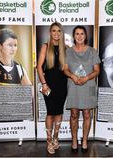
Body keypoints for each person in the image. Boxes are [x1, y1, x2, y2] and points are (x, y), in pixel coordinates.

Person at [64, 26, 100, 153]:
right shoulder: (68, 51)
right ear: (74, 36)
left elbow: (97, 70)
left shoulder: (92, 51)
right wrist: (72, 76)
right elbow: (65, 69)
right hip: (73, 85)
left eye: (82, 34)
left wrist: (87, 78)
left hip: (88, 85)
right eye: (77, 34)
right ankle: (74, 140)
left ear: (85, 36)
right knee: (74, 114)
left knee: (86, 114)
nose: (79, 36)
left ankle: (84, 140)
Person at [37, 22, 67, 154]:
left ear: (61, 33)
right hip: (48, 86)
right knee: (50, 113)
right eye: (54, 31)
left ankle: (56, 139)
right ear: (50, 32)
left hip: (62, 86)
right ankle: (48, 141)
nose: (56, 33)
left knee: (59, 112)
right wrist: (43, 84)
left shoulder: (66, 48)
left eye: (59, 31)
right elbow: (38, 67)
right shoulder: (45, 46)